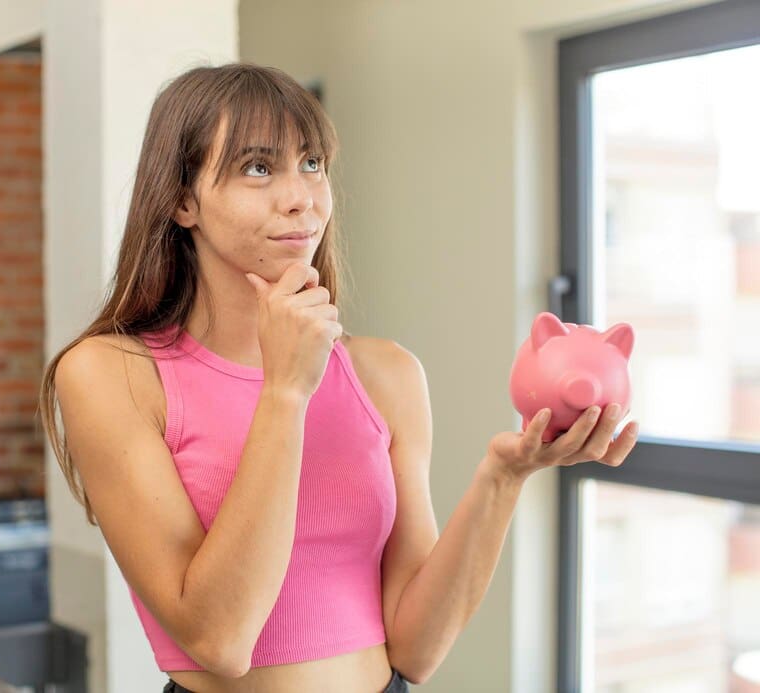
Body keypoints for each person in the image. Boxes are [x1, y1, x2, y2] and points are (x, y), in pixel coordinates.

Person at [38, 62, 640, 693]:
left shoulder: (387, 374)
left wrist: (505, 476)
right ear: (183, 199)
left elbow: (416, 649)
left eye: (312, 164)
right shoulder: (113, 374)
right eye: (258, 167)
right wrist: (285, 390)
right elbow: (218, 639)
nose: (301, 196)